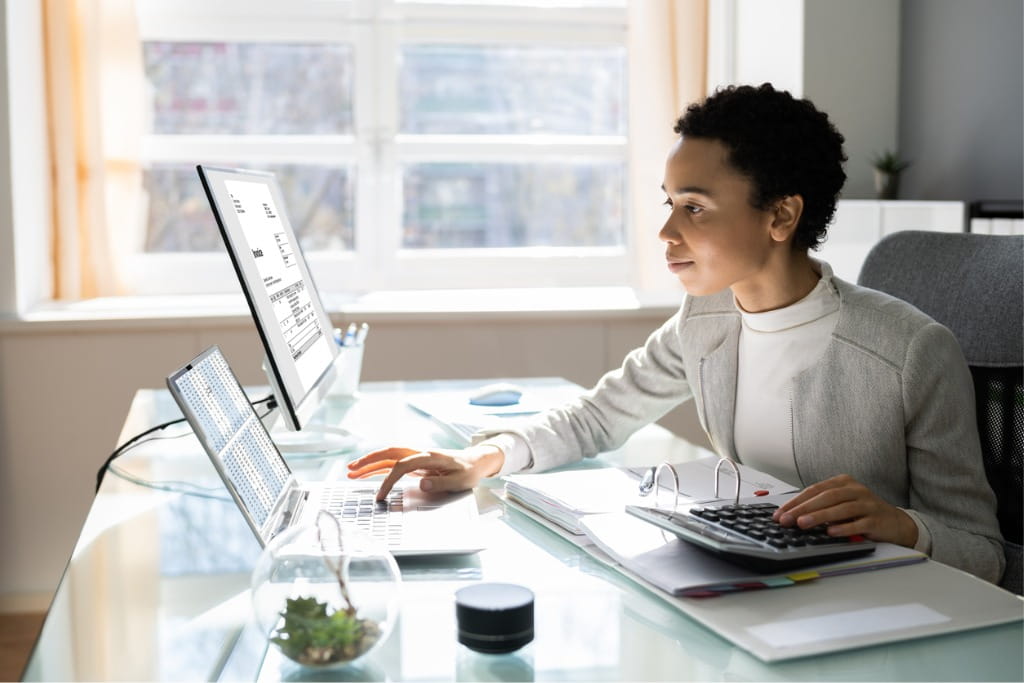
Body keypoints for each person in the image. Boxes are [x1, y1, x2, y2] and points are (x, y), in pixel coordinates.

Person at [348, 83, 1005, 583]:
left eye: (694, 207)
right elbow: (599, 415)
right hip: (753, 585)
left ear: (781, 215)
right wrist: (481, 458)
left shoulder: (913, 352)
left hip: (876, 610)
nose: (667, 233)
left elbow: (985, 551)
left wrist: (903, 525)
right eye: (670, 204)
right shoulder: (707, 318)